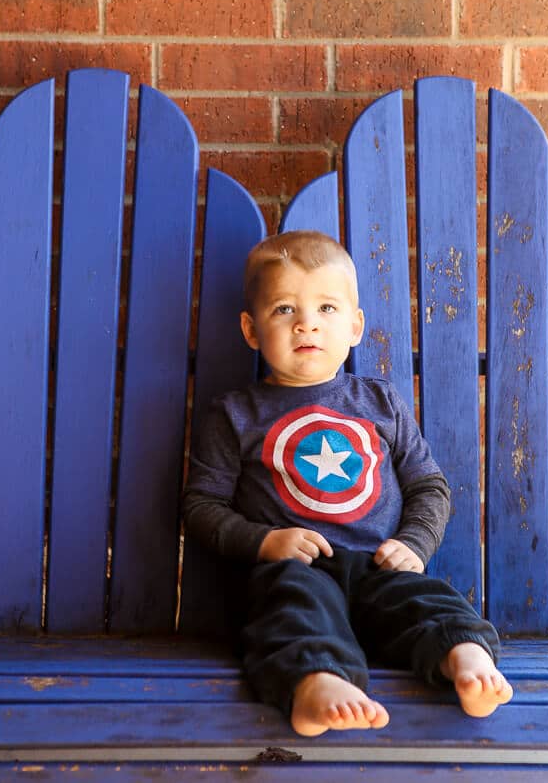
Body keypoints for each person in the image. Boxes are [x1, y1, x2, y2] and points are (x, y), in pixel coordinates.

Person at [183, 230, 513, 736]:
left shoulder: (380, 404)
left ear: (356, 326)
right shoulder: (234, 415)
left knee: (428, 597)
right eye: (284, 310)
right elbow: (202, 506)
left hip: (381, 567)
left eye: (327, 309)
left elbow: (429, 487)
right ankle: (316, 680)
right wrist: (265, 542)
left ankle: (463, 657)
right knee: (290, 606)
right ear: (251, 330)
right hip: (299, 571)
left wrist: (414, 544)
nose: (307, 324)